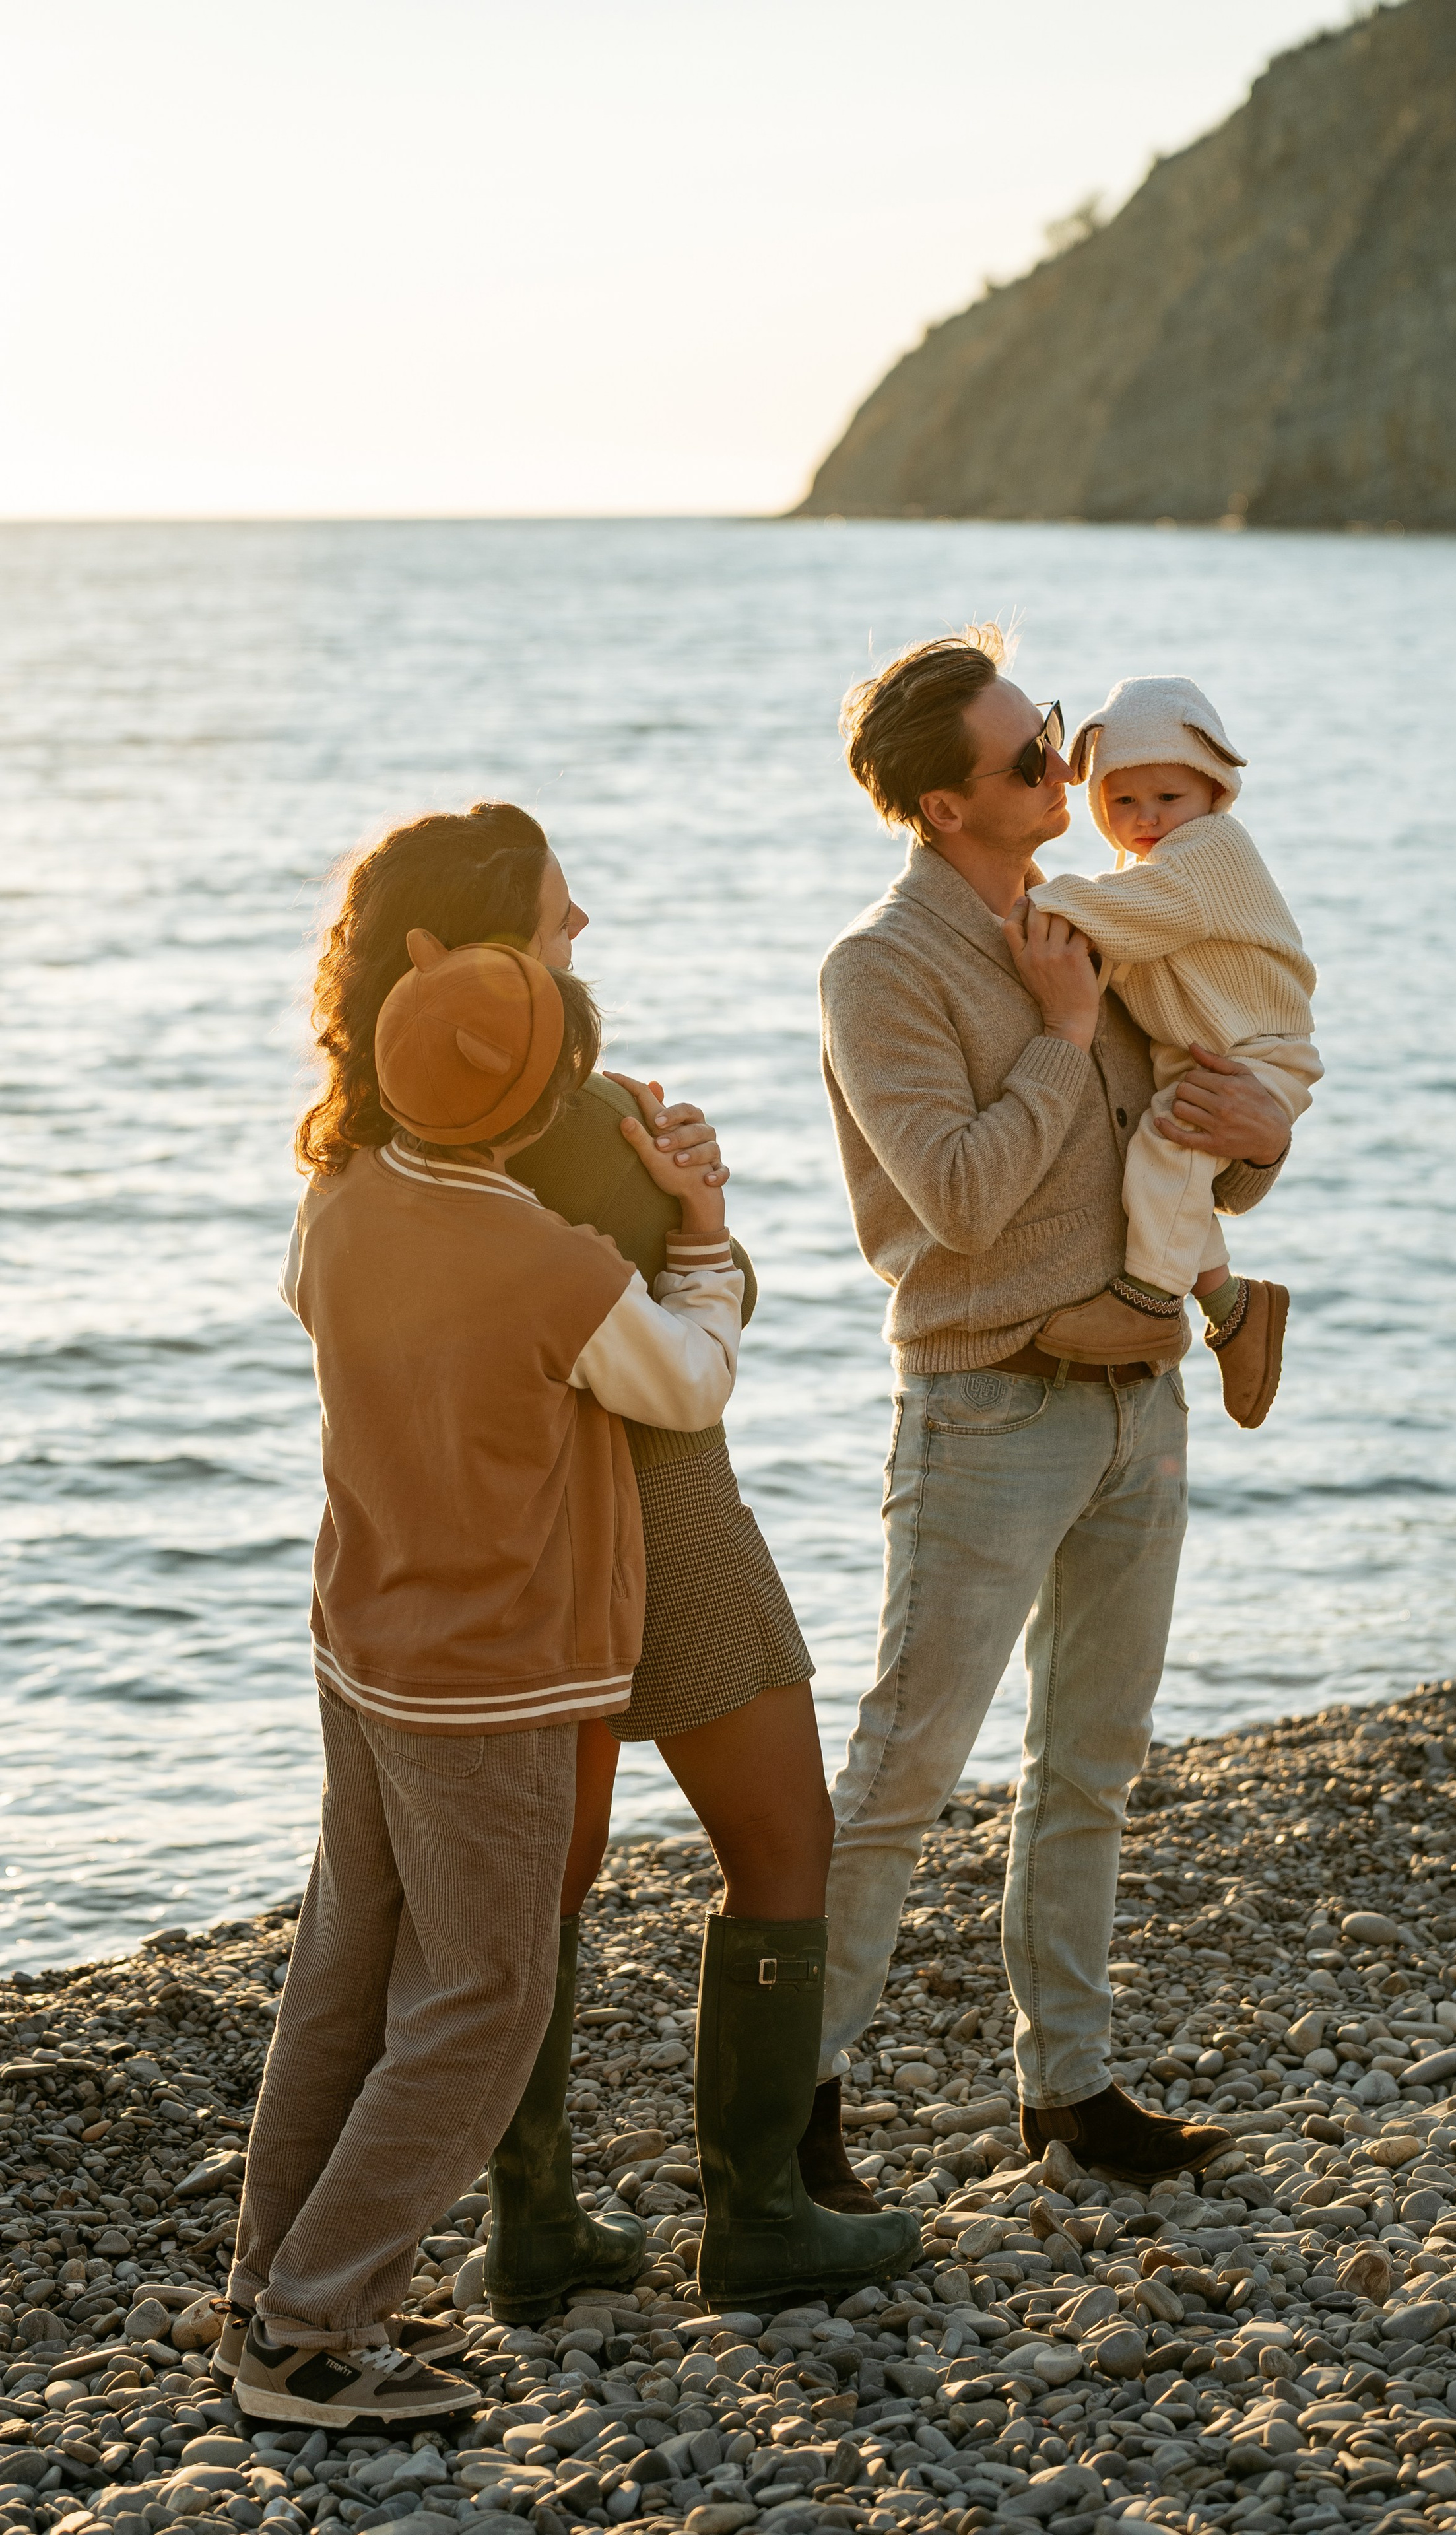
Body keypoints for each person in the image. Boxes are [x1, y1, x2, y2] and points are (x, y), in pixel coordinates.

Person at [275, 801, 915, 2323]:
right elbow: (705, 1309)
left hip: (480, 1567)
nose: (580, 938)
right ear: (447, 949)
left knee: (529, 1902)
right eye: (557, 920)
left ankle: (538, 2220)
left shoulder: (365, 1146)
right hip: (657, 1521)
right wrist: (704, 1208)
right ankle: (755, 2212)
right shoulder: (578, 1116)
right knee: (778, 1845)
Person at [804, 627, 1296, 2203]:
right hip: (986, 1411)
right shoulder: (878, 967)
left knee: (1088, 1763)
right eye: (1034, 757)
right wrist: (1064, 1038)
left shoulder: (1097, 923)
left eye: (1058, 738)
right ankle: (789, 2118)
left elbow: (1196, 1136)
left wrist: (1263, 1127)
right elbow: (948, 1200)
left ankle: (1067, 2090)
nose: (1067, 773)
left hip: (1135, 1405)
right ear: (949, 807)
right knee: (899, 1775)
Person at [230, 928, 745, 2425]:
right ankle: (312, 2333)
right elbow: (691, 1381)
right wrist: (700, 1234)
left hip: (361, 1641)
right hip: (493, 1682)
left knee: (345, 1966)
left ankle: (271, 2289)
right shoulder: (552, 1259)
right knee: (483, 1993)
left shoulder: (336, 1200)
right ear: (536, 1106)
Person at [1026, 673, 1322, 1429]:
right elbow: (1121, 914)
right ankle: (1231, 1306)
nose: (1147, 818)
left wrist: (1029, 903)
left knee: (1168, 1144)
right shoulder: (1150, 869)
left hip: (1256, 1050)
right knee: (1168, 1171)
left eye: (1168, 798)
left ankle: (1148, 1303)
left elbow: (1128, 915)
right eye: (1123, 803)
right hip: (1209, 1048)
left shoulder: (1207, 852)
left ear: (1213, 790)